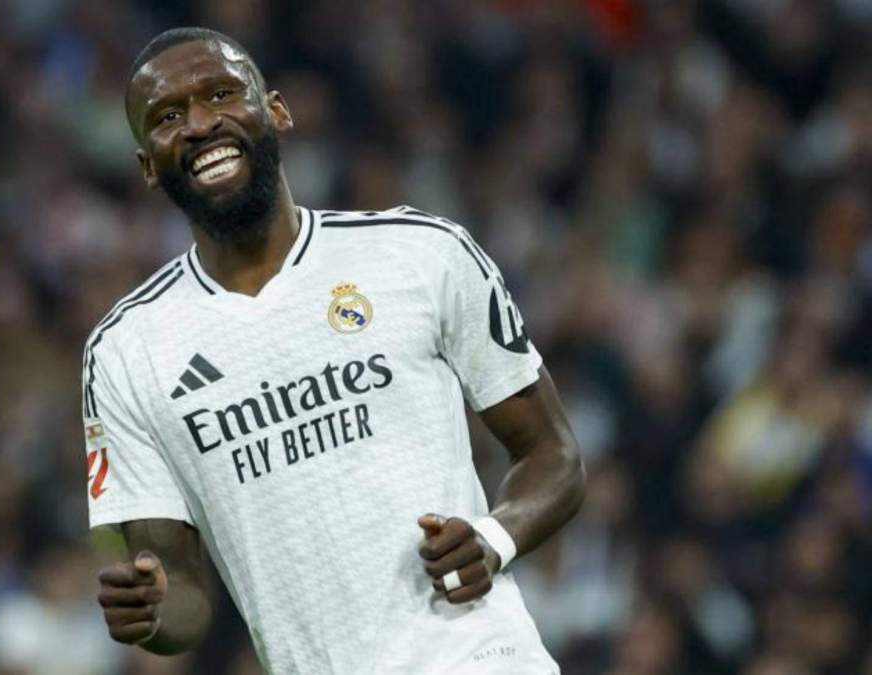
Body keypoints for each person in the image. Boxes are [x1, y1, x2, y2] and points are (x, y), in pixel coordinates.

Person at [82, 26, 586, 675]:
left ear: (277, 111)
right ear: (148, 165)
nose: (202, 123)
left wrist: (492, 538)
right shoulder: (126, 352)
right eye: (168, 117)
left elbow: (554, 454)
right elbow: (180, 593)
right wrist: (152, 613)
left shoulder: (421, 254)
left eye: (223, 93)